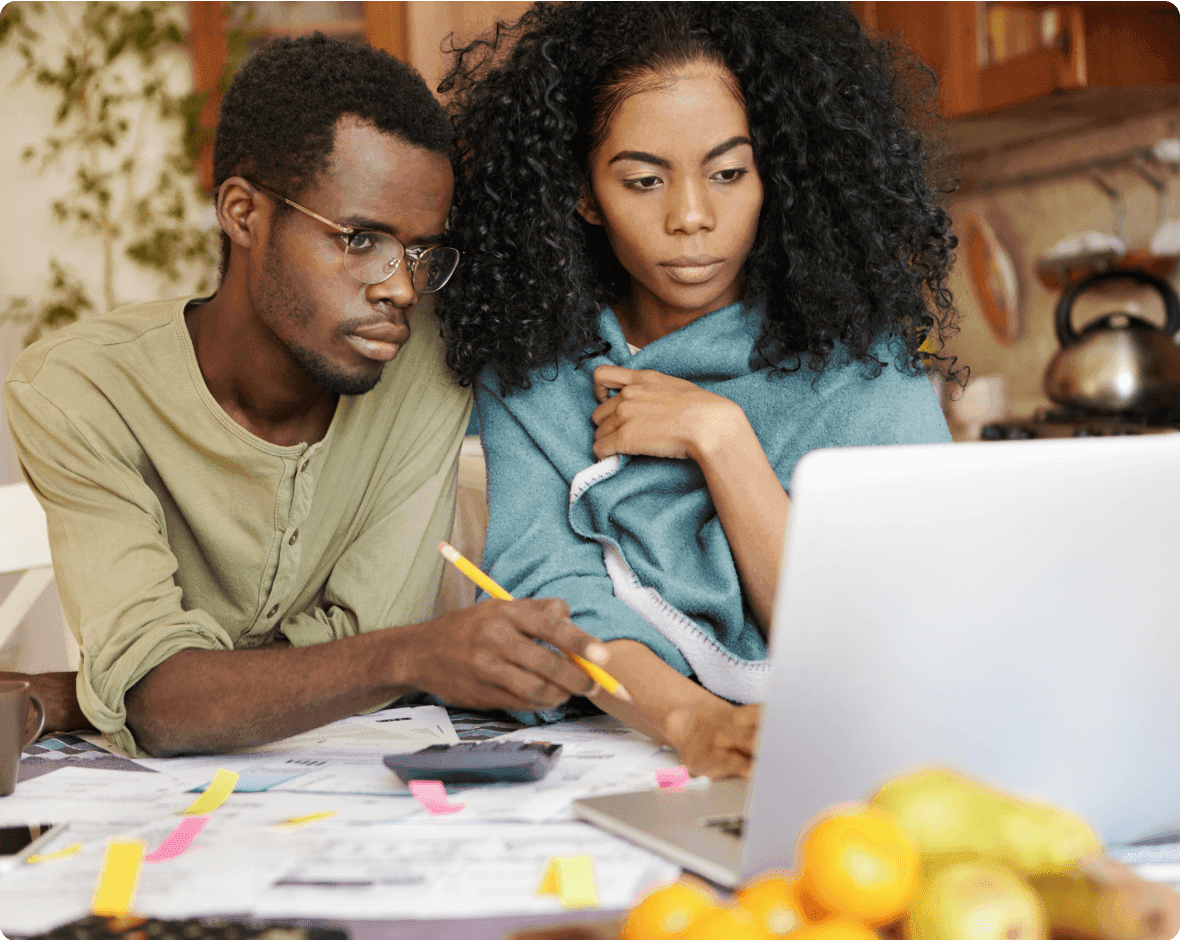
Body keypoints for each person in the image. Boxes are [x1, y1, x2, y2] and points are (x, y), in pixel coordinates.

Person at [0, 34, 617, 758]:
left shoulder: (426, 364)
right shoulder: (80, 391)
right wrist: (406, 654)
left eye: (421, 251)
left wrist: (99, 692)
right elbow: (161, 706)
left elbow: (354, 641)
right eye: (360, 239)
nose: (401, 287)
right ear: (242, 213)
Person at [436, 2, 960, 777]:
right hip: (627, 754)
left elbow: (876, 640)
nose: (691, 217)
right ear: (584, 194)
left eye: (727, 174)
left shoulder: (862, 367)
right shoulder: (537, 370)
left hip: (873, 757)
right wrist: (694, 721)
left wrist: (720, 438)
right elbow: (549, 598)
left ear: (772, 177)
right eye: (644, 181)